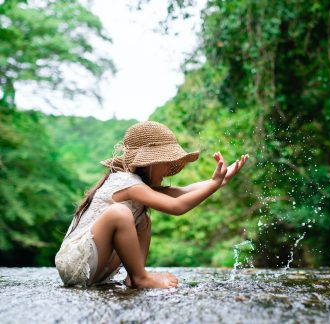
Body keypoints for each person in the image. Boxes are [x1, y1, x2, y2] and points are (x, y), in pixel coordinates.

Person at [54, 121, 249, 289]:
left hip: (97, 267)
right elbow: (177, 206)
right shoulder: (125, 182)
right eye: (165, 162)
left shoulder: (140, 185)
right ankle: (141, 278)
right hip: (76, 265)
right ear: (149, 163)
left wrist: (219, 181)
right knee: (120, 213)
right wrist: (215, 184)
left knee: (143, 220)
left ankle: (133, 276)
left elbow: (184, 192)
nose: (168, 168)